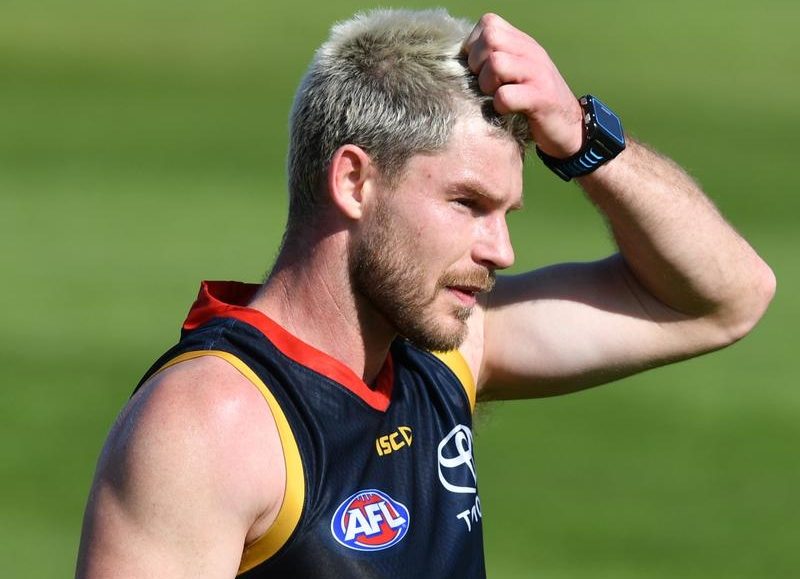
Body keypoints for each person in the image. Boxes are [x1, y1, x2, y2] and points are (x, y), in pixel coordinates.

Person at [76, 8, 775, 578]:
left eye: (506, 213)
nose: (501, 250)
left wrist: (582, 139)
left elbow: (726, 298)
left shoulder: (447, 351)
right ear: (354, 181)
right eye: (468, 203)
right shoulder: (215, 424)